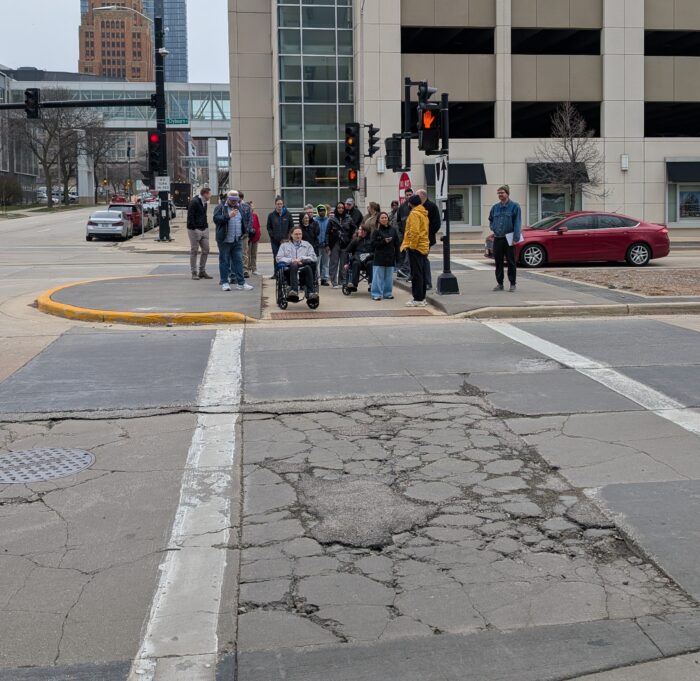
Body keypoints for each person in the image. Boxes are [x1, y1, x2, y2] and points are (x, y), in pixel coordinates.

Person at [213, 192, 254, 292]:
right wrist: (228, 216)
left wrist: (246, 231)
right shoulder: (221, 207)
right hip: (225, 240)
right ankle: (225, 282)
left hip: (237, 239)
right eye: (232, 200)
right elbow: (216, 219)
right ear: (228, 199)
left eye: (236, 200)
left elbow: (244, 220)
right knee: (224, 261)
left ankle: (241, 283)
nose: (234, 202)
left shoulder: (240, 208)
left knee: (238, 261)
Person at [488, 184, 522, 292]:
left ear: (507, 193)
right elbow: (491, 219)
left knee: (511, 262)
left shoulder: (515, 206)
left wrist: (515, 238)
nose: (500, 195)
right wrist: (493, 228)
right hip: (498, 238)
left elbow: (517, 222)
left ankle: (512, 283)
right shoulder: (495, 207)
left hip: (509, 238)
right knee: (498, 262)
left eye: (502, 192)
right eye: (498, 193)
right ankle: (500, 284)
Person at [400, 194, 430, 307]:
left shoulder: (414, 214)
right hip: (423, 246)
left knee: (416, 274)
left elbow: (414, 232)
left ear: (410, 203)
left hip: (416, 248)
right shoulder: (423, 213)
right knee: (421, 273)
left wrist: (411, 246)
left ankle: (417, 298)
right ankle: (421, 297)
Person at [276, 227, 318, 302]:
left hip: (303, 268)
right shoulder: (284, 245)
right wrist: (292, 260)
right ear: (291, 235)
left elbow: (314, 258)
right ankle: (294, 291)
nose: (298, 236)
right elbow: (278, 258)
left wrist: (302, 258)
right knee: (294, 265)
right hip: (289, 269)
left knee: (308, 267)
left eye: (300, 234)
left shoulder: (307, 245)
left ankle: (310, 293)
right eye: (296, 234)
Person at [370, 211, 400, 301]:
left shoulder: (393, 230)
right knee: (377, 277)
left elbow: (397, 244)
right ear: (378, 220)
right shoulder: (376, 231)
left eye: (385, 217)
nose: (384, 219)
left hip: (390, 256)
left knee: (389, 277)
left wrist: (397, 257)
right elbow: (372, 244)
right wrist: (383, 241)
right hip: (379, 257)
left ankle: (387, 293)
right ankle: (376, 294)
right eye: (382, 218)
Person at [416, 189, 441, 290]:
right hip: (418, 238)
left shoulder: (431, 206)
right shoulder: (417, 207)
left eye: (417, 195)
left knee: (424, 259)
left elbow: (436, 224)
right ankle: (421, 281)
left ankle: (427, 282)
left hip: (427, 239)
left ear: (423, 196)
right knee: (419, 260)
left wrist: (425, 234)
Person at [186, 186, 212, 280]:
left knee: (206, 249)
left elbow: (203, 216)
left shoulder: (205, 203)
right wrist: (194, 228)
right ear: (205, 194)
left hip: (203, 229)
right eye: (209, 194)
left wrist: (206, 226)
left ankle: (202, 271)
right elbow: (190, 217)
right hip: (194, 230)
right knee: (194, 251)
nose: (210, 196)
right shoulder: (194, 202)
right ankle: (194, 272)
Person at [327, 201, 355, 288]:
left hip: (345, 243)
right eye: (339, 207)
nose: (341, 209)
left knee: (344, 263)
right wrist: (327, 245)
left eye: (342, 208)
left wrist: (351, 239)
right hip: (334, 243)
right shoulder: (332, 219)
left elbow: (354, 230)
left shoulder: (349, 218)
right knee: (333, 263)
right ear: (336, 209)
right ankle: (334, 282)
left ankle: (342, 281)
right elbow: (327, 233)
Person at [266, 196, 294, 278]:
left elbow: (291, 227)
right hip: (275, 241)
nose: (279, 205)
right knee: (276, 257)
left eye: (281, 204)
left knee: (285, 257)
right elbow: (269, 227)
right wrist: (273, 237)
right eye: (278, 204)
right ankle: (276, 273)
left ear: (283, 204)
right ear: (275, 204)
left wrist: (288, 238)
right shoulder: (271, 215)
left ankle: (284, 274)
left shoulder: (288, 215)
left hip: (285, 241)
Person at [344, 225, 374, 291]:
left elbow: (375, 252)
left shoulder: (372, 241)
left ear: (365, 231)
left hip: (368, 261)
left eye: (360, 230)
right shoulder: (355, 240)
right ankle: (354, 284)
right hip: (358, 260)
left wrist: (369, 255)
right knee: (355, 263)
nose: (358, 231)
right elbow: (347, 251)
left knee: (371, 263)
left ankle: (371, 283)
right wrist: (346, 263)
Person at [395, 188, 414, 278]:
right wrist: (401, 232)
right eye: (407, 195)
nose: (409, 196)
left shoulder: (416, 206)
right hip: (403, 234)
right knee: (402, 253)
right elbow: (398, 221)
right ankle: (403, 270)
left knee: (409, 253)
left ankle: (405, 270)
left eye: (410, 194)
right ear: (405, 196)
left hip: (413, 235)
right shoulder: (402, 207)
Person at [315, 204, 331, 285]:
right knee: (316, 263)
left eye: (323, 211)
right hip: (317, 245)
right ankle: (315, 278)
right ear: (317, 211)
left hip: (326, 245)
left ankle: (324, 278)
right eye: (320, 211)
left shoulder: (329, 221)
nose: (322, 212)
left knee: (325, 263)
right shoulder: (314, 221)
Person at [246, 199, 261, 276]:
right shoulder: (246, 216)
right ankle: (247, 269)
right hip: (248, 238)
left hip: (255, 238)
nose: (253, 207)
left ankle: (254, 268)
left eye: (253, 206)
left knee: (254, 254)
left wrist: (258, 236)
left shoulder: (255, 215)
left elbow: (258, 226)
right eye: (251, 206)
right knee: (247, 254)